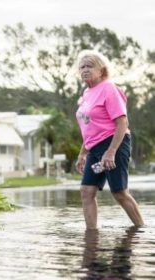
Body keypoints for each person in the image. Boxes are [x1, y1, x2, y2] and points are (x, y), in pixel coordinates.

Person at [75, 50, 144, 230]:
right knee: (86, 191)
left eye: (89, 66)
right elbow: (90, 127)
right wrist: (82, 153)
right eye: (82, 67)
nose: (85, 70)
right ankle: (92, 234)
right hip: (95, 148)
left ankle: (141, 229)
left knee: (119, 192)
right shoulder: (87, 93)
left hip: (114, 143)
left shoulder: (109, 88)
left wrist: (111, 151)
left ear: (101, 70)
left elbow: (122, 122)